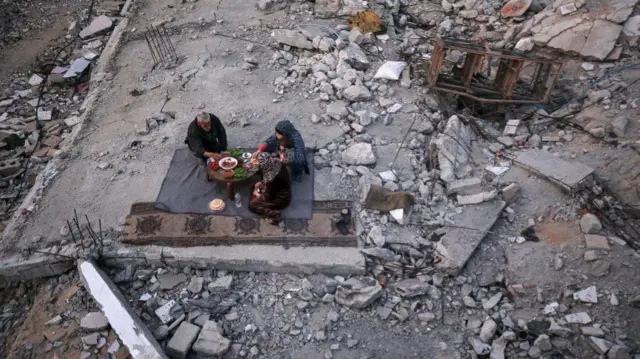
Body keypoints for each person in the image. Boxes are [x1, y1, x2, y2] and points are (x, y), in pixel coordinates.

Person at [249, 152, 291, 225]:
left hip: (280, 199)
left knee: (252, 205)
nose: (258, 166)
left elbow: (268, 194)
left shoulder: (273, 179)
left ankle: (274, 215)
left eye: (260, 165)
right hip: (277, 189)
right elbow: (266, 181)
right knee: (254, 186)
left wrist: (256, 192)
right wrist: (262, 183)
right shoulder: (276, 163)